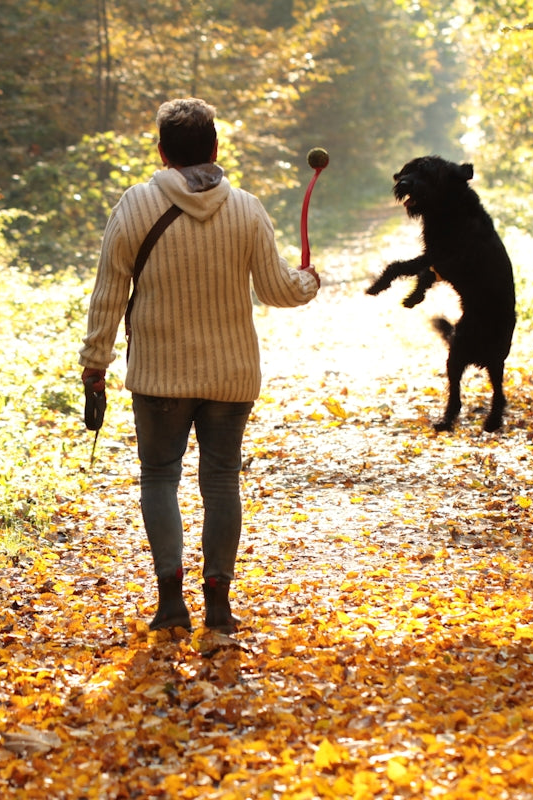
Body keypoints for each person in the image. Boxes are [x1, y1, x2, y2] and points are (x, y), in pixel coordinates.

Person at [79, 98, 320, 634]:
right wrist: (309, 280)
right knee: (220, 481)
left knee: (160, 477)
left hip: (160, 374)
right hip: (231, 376)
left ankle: (170, 603)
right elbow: (279, 289)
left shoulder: (135, 206)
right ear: (215, 149)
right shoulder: (247, 208)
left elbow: (108, 294)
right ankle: (218, 603)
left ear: (162, 151)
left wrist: (95, 363)